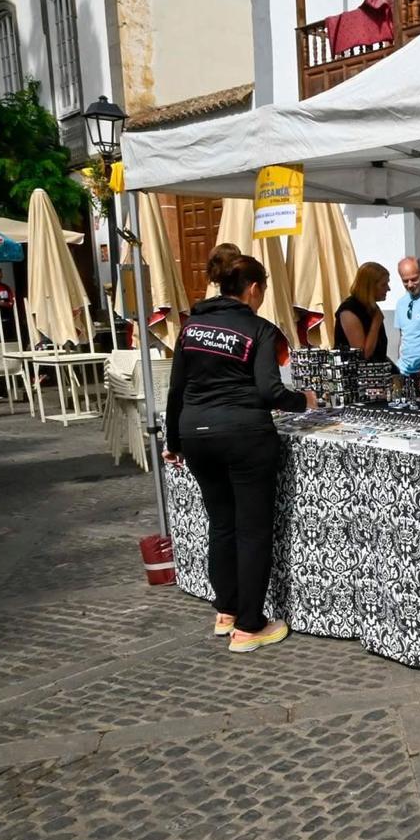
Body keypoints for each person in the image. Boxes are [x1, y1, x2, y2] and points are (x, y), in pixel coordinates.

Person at [164, 251, 317, 653]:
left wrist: (173, 441)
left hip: (196, 433)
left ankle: (227, 611)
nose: (262, 296)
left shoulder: (191, 327)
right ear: (252, 289)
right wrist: (304, 401)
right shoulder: (258, 329)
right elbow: (270, 390)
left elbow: (176, 388)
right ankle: (250, 626)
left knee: (221, 524)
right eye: (263, 289)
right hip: (245, 435)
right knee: (251, 530)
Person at [335, 262, 391, 363]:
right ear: (370, 287)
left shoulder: (371, 308)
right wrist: (376, 324)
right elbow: (362, 355)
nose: (388, 288)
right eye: (383, 285)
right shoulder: (349, 310)